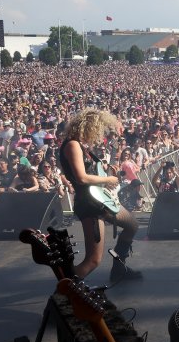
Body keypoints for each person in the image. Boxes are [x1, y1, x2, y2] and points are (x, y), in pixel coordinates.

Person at [59, 107, 142, 282]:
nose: (98, 134)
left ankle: (119, 269)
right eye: (98, 129)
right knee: (93, 260)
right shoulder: (72, 145)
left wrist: (104, 174)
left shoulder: (81, 146)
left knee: (132, 225)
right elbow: (81, 178)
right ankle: (64, 292)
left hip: (100, 200)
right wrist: (108, 180)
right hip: (90, 204)